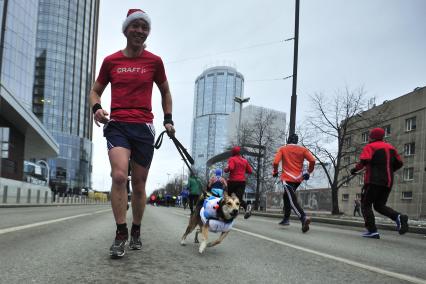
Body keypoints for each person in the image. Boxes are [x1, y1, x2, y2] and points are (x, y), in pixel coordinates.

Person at [89, 8, 175, 258]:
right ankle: (120, 232)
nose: (139, 30)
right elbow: (95, 91)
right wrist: (97, 108)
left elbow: (165, 91)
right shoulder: (111, 61)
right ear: (126, 30)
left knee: (138, 184)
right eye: (135, 26)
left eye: (144, 27)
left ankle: (136, 229)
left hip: (144, 127)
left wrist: (168, 120)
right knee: (118, 175)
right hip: (117, 124)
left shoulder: (154, 62)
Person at [350, 128, 408, 239]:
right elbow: (400, 163)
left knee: (366, 204)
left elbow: (364, 161)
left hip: (373, 181)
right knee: (379, 205)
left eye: (369, 136)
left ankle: (372, 231)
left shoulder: (370, 147)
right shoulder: (391, 147)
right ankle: (399, 217)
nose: (368, 138)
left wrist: (354, 170)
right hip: (388, 182)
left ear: (372, 137)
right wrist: (389, 171)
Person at [272, 133, 315, 233]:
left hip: (287, 178)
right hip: (298, 179)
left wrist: (274, 171)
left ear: (288, 140)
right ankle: (286, 219)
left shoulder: (283, 149)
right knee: (286, 197)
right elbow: (312, 160)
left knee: (291, 200)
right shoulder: (303, 150)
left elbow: (275, 162)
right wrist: (308, 172)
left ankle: (303, 218)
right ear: (296, 141)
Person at [224, 146, 253, 219]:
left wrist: (226, 169)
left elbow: (231, 168)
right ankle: (247, 207)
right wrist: (242, 170)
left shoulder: (232, 159)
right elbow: (250, 171)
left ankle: (228, 212)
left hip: (232, 181)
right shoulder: (244, 160)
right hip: (242, 182)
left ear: (233, 152)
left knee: (228, 197)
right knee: (239, 198)